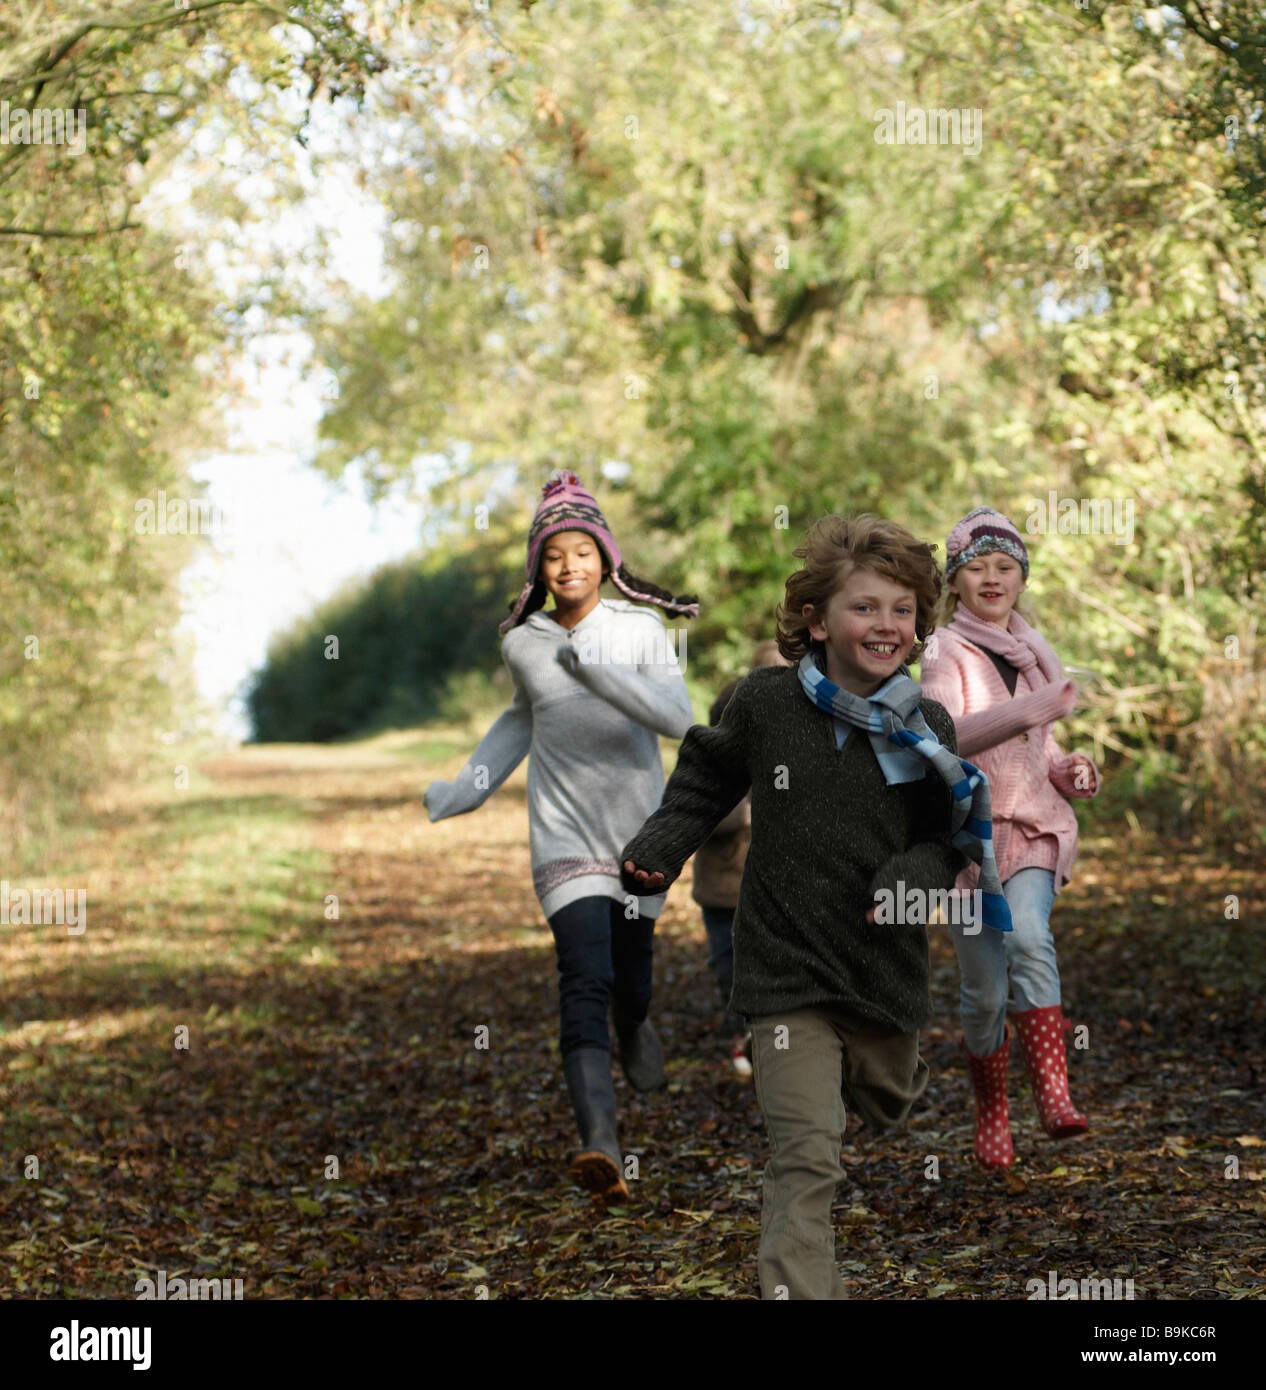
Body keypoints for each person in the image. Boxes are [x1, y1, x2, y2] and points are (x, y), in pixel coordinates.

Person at [620, 514, 1010, 1299]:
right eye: (865, 607)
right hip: (784, 969)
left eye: (902, 610)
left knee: (887, 1098)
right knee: (806, 1154)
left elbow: (949, 837)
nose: (886, 625)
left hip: (881, 969)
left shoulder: (924, 725)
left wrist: (911, 875)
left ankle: (885, 1073)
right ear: (817, 619)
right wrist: (659, 850)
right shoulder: (765, 703)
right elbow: (705, 778)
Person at [422, 470, 698, 1203]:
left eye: (581, 550)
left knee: (629, 976)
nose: (568, 565)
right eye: (553, 555)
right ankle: (599, 1142)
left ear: (605, 558)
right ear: (538, 569)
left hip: (643, 834)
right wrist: (465, 791)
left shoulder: (642, 631)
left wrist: (603, 677)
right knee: (584, 977)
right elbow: (520, 719)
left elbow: (678, 720)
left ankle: (636, 1023)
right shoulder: (525, 642)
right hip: (563, 833)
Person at [919, 506, 1100, 1170]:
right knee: (984, 991)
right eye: (976, 567)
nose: (992, 578)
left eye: (1005, 566)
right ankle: (993, 1111)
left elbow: (1039, 746)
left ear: (1022, 578)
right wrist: (1036, 709)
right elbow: (947, 737)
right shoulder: (944, 650)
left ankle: (1054, 1094)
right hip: (971, 840)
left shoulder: (1035, 651)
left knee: (1029, 936)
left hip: (1035, 829)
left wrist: (1070, 768)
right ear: (956, 583)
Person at [691, 640, 790, 1079]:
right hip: (725, 891)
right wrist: (745, 809)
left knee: (778, 964)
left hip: (778, 890)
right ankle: (743, 1032)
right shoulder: (716, 764)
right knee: (730, 967)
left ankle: (775, 1039)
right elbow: (699, 816)